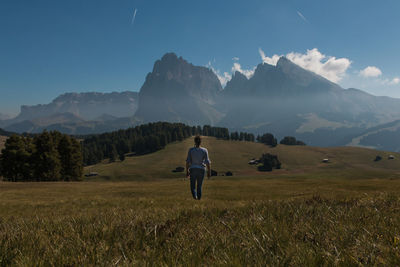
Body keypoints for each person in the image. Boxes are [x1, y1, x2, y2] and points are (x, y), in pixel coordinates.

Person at [186, 135, 211, 200]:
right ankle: (199, 200)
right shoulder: (204, 150)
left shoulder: (191, 150)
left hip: (193, 169)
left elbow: (188, 161)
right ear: (200, 142)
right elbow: (207, 162)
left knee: (193, 186)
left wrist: (187, 171)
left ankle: (195, 197)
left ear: (194, 141)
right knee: (199, 186)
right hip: (201, 169)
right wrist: (209, 171)